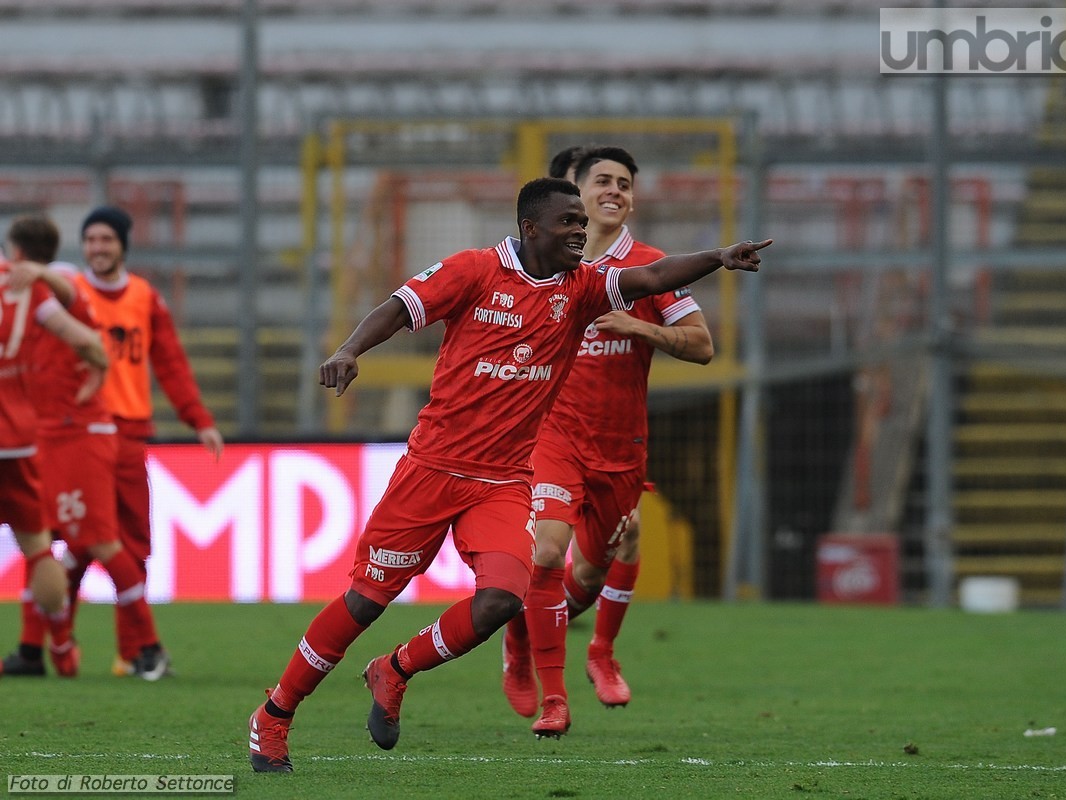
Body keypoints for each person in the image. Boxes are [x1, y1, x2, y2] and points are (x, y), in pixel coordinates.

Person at [246, 177, 769, 772]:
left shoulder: (583, 288)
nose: (580, 231)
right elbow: (398, 307)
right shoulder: (473, 270)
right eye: (568, 223)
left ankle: (394, 669)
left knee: (500, 601)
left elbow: (651, 277)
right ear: (531, 229)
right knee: (365, 602)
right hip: (432, 470)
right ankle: (275, 714)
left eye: (582, 222)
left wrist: (719, 259)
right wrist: (348, 351)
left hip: (503, 480)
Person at [502, 146, 715, 737]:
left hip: (620, 446)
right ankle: (553, 692)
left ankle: (562, 641)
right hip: (554, 439)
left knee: (593, 573)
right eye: (602, 181)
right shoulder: (545, 264)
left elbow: (702, 347)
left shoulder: (650, 266)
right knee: (545, 551)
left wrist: (636, 325)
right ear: (575, 193)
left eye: (625, 183)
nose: (615, 191)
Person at [1, 249, 170, 681]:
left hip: (79, 437)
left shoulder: (56, 300)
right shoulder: (40, 314)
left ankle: (146, 647)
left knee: (96, 542)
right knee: (48, 547)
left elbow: (93, 345)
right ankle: (44, 647)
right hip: (44, 438)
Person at [69, 205, 224, 677]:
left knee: (131, 544)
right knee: (79, 542)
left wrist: (198, 419)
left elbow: (171, 364)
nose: (97, 248)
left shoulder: (144, 298)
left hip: (129, 435)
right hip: (77, 434)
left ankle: (126, 651)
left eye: (106, 240)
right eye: (91, 240)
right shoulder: (68, 294)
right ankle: (55, 644)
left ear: (122, 246)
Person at [0, 215, 109, 677]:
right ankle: (61, 643)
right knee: (39, 549)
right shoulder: (24, 290)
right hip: (19, 438)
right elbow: (86, 339)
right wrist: (98, 372)